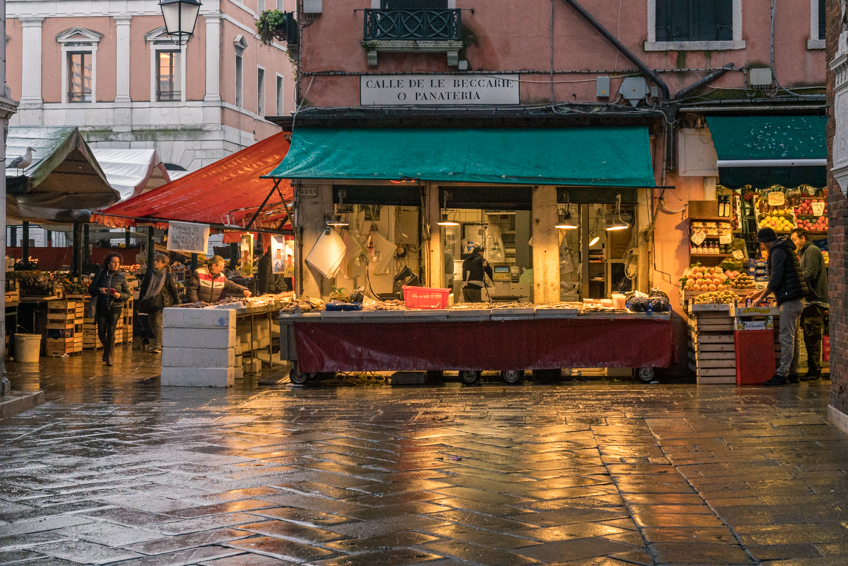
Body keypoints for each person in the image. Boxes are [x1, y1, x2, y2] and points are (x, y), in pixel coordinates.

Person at [747, 228, 808, 386]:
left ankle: (782, 375)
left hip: (789, 299)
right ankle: (793, 373)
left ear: (766, 241)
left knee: (786, 338)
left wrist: (760, 299)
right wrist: (759, 292)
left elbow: (776, 279)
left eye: (762, 244)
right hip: (796, 298)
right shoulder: (784, 248)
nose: (762, 247)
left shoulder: (778, 251)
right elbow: (780, 278)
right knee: (793, 338)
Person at [790, 228, 829, 380]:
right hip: (809, 301)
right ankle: (813, 370)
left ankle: (814, 372)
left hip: (814, 300)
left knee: (812, 336)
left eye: (794, 239)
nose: (793, 242)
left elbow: (810, 273)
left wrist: (794, 279)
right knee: (809, 335)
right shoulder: (805, 252)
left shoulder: (811, 251)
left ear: (803, 238)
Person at [88, 252, 131, 366]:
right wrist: (100, 291)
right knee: (101, 332)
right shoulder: (100, 275)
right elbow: (91, 289)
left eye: (118, 262)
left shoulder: (122, 277)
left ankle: (109, 356)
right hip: (102, 307)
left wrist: (119, 295)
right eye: (114, 262)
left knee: (111, 331)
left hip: (115, 308)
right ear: (108, 263)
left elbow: (127, 294)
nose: (116, 264)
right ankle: (107, 351)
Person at [138, 254, 181, 353]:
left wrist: (178, 302)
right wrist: (141, 300)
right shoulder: (150, 274)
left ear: (164, 264)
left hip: (162, 302)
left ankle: (158, 345)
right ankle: (157, 343)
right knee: (151, 323)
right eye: (155, 260)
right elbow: (144, 288)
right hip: (150, 302)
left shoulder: (167, 276)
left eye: (158, 261)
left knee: (157, 323)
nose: (155, 262)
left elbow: (173, 289)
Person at [186, 255, 251, 303]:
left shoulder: (221, 277)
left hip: (214, 308)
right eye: (221, 267)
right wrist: (196, 305)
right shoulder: (199, 273)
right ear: (213, 266)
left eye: (223, 267)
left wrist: (243, 290)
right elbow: (191, 291)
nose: (222, 269)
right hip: (200, 309)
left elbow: (232, 286)